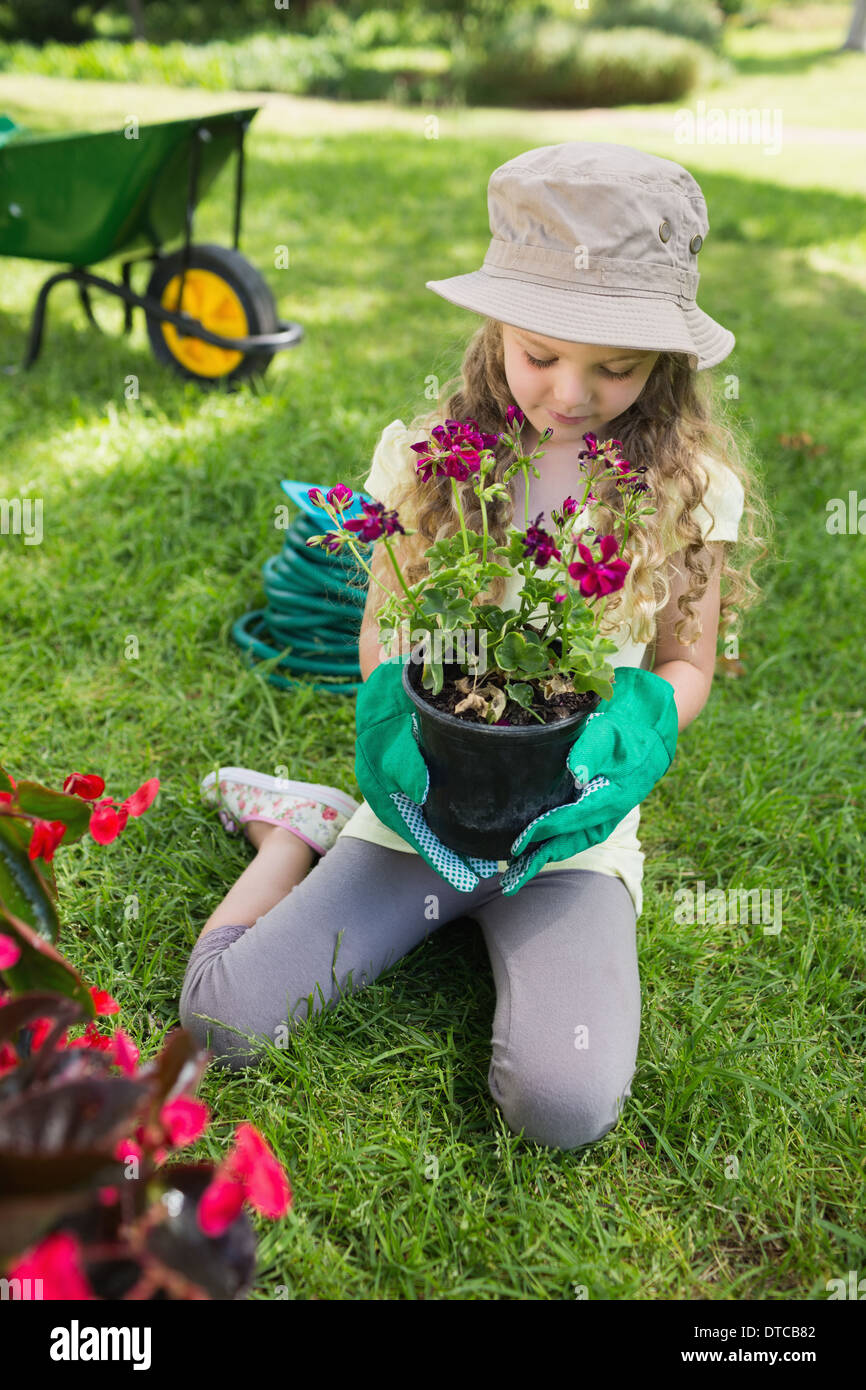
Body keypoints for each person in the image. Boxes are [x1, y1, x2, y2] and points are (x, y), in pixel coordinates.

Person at [180, 142, 769, 1151]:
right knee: (222, 1025)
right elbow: (388, 633)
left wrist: (630, 732)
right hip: (420, 806)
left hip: (567, 834)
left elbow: (683, 662)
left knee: (560, 1107)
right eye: (538, 354)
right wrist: (390, 717)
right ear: (493, 325)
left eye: (614, 368)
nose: (568, 395)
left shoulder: (685, 485)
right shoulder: (426, 459)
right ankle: (294, 826)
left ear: (662, 364)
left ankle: (497, 904)